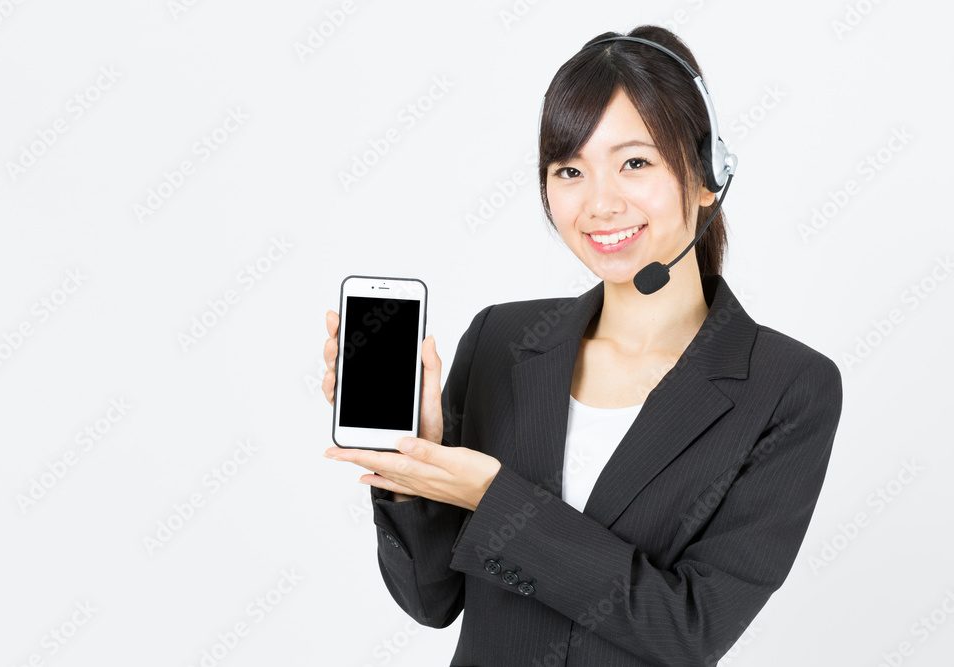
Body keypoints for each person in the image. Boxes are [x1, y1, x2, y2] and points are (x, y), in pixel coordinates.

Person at [322, 25, 843, 667]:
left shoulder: (786, 387)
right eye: (570, 169)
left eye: (635, 162)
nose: (599, 203)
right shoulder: (501, 341)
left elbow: (688, 629)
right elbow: (431, 601)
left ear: (709, 175)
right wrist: (413, 467)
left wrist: (496, 500)